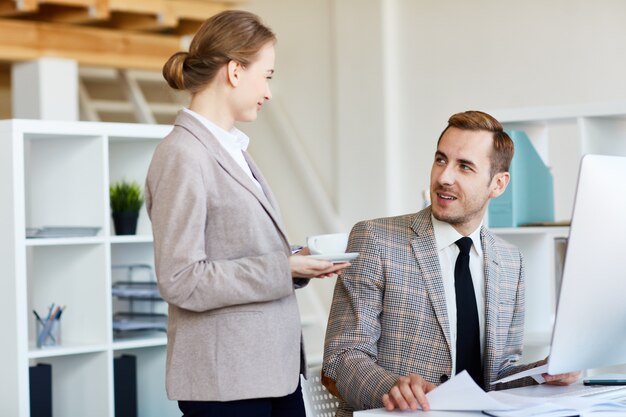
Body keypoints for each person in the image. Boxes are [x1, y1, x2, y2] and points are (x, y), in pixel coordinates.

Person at [145, 10, 348, 417]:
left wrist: (297, 260)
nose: (268, 91)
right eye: (266, 74)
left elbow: (235, 251)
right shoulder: (183, 154)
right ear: (235, 71)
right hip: (228, 385)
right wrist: (283, 268)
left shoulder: (232, 149)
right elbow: (181, 279)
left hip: (270, 373)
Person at [321, 111, 579, 417]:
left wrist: (543, 372)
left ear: (497, 184)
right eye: (441, 160)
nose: (444, 177)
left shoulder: (511, 262)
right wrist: (391, 388)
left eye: (464, 167)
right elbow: (340, 359)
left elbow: (494, 378)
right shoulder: (375, 239)